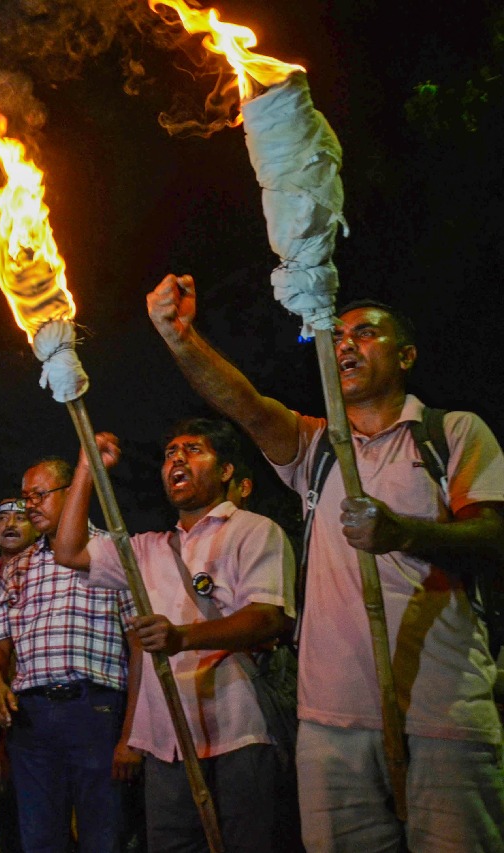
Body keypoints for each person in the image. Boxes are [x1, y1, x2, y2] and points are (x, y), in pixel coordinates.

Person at [148, 274, 504, 850]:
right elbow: (245, 404)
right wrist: (181, 337)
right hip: (329, 725)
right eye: (337, 335)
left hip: (444, 717)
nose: (344, 345)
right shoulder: (318, 448)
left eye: (365, 334)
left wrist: (402, 533)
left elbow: (492, 537)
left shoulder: (451, 433)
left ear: (406, 355)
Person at [54, 419, 296, 852]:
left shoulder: (253, 530)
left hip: (239, 729)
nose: (177, 459)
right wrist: (87, 469)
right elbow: (69, 550)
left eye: (194, 450)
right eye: (170, 453)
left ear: (226, 472)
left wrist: (181, 638)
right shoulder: (148, 548)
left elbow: (267, 617)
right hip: (166, 740)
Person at [0, 457, 141, 853]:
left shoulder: (112, 552)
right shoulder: (16, 567)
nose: (30, 505)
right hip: (31, 719)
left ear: (73, 493)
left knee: (103, 836)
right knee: (39, 838)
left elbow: (140, 647)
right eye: (25, 497)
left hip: (96, 712)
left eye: (39, 495)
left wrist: (132, 733)